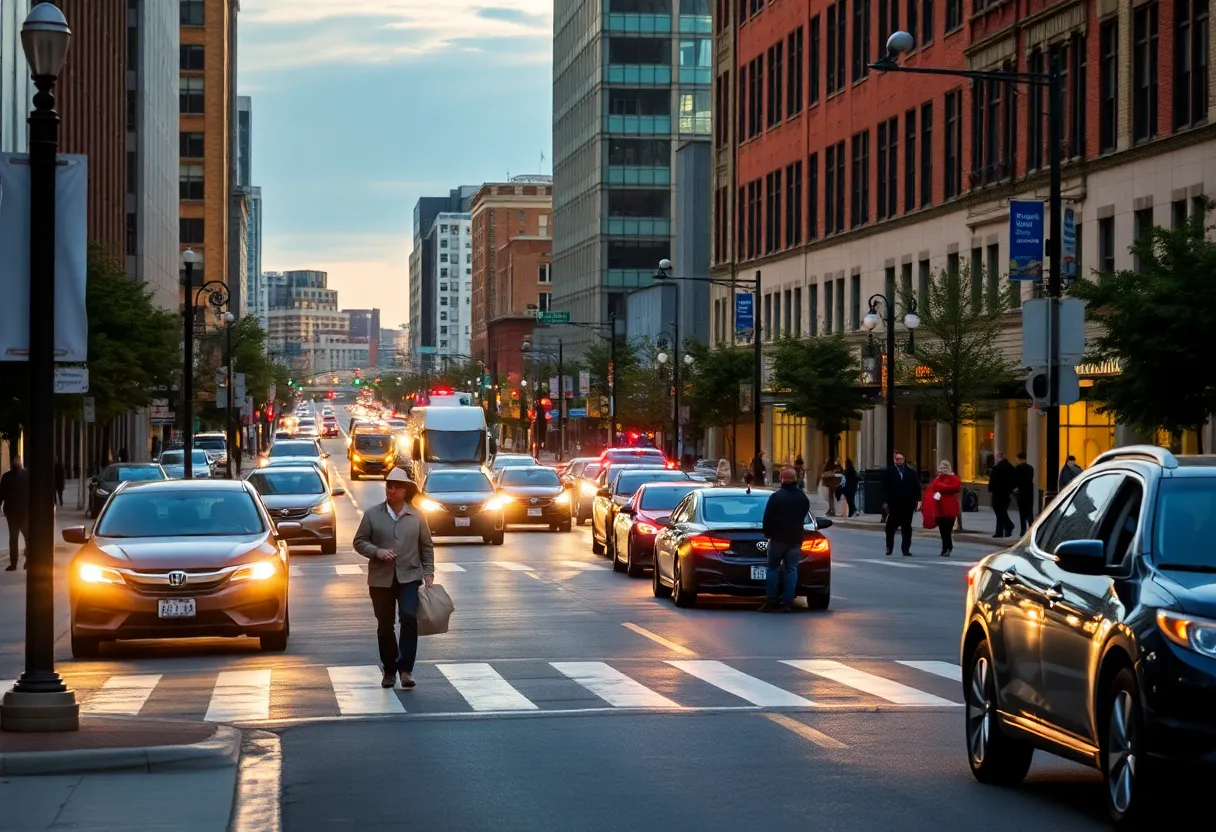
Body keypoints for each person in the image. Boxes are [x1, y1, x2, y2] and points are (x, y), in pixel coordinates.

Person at [353, 468, 435, 690]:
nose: (392, 490)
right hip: (381, 579)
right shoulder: (372, 514)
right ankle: (389, 670)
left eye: (397, 486)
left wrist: (429, 571)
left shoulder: (417, 516)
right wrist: (377, 551)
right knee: (385, 625)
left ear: (406, 490)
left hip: (410, 576)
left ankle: (405, 669)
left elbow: (426, 546)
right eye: (389, 485)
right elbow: (359, 541)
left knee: (409, 617)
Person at [759, 466, 811, 612]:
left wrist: (767, 533)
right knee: (791, 569)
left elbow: (767, 518)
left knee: (772, 568)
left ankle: (771, 600)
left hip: (778, 538)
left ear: (781, 478)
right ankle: (788, 602)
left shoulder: (776, 497)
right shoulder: (802, 498)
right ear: (795, 479)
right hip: (795, 539)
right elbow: (803, 515)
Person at [881, 451, 922, 557]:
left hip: (908, 504)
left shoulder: (911, 472)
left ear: (904, 460)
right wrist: (885, 502)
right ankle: (889, 547)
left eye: (901, 459)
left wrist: (918, 500)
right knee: (890, 528)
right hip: (894, 505)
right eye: (897, 459)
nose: (899, 461)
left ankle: (906, 549)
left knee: (907, 528)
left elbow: (916, 487)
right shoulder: (890, 472)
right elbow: (884, 488)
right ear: (895, 460)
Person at [0, 455, 30, 571]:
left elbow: (1, 495)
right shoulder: (27, 475)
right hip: (25, 512)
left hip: (12, 513)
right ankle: (29, 560)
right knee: (28, 537)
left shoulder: (6, 477)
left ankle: (14, 564)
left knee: (13, 538)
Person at [927, 461, 962, 557]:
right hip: (939, 507)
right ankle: (944, 548)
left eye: (945, 467)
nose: (943, 469)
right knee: (942, 530)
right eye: (941, 467)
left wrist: (942, 487)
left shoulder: (953, 477)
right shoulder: (938, 478)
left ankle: (948, 547)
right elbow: (934, 487)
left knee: (947, 529)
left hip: (949, 507)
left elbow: (955, 487)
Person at [988, 451, 1017, 538]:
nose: (995, 460)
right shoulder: (1010, 467)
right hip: (1006, 493)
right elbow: (1014, 479)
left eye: (996, 458)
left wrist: (991, 488)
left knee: (999, 512)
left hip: (998, 493)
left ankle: (1008, 526)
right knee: (1002, 511)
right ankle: (1001, 531)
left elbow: (992, 480)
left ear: (999, 457)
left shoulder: (997, 468)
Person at [1015, 452, 1036, 534]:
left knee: (1022, 512)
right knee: (1029, 511)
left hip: (1021, 492)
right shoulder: (1031, 468)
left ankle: (1023, 530)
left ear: (1020, 459)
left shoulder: (1018, 468)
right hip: (1029, 492)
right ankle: (1031, 527)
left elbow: (1016, 480)